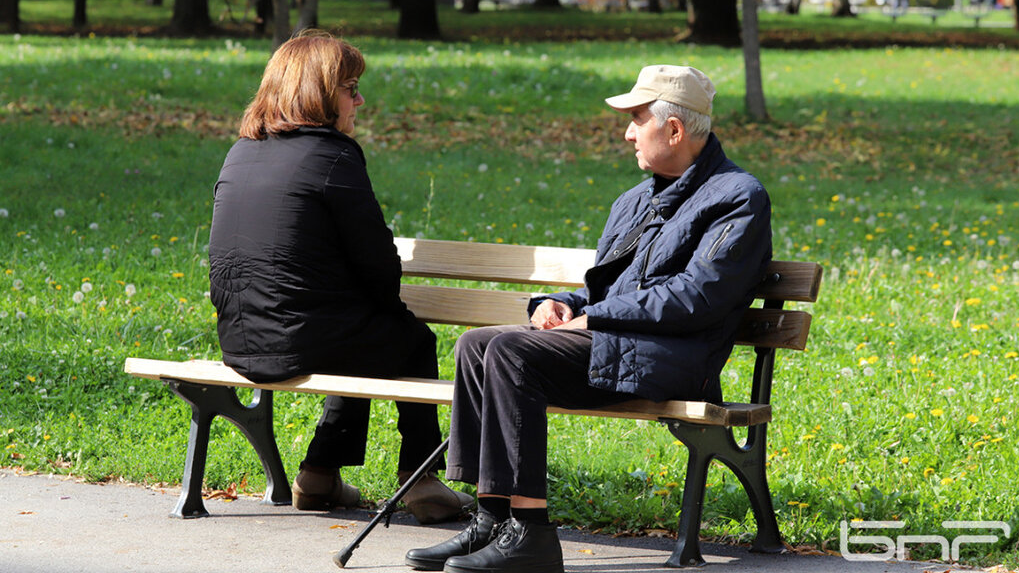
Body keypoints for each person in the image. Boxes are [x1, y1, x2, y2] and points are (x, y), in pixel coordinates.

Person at [405, 65, 773, 573]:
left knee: (511, 351)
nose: (626, 133)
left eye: (636, 119)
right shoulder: (636, 199)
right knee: (477, 344)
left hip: (678, 359)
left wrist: (594, 318)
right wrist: (563, 305)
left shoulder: (738, 197)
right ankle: (492, 519)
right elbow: (605, 289)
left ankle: (531, 533)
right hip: (619, 345)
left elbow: (696, 298)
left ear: (674, 129)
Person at [207, 31, 473, 525]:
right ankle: (423, 481)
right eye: (350, 88)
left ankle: (319, 474)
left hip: (238, 339)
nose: (360, 99)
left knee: (359, 335)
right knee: (408, 340)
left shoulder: (242, 150)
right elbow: (376, 261)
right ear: (320, 94)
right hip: (298, 339)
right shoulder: (332, 156)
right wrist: (388, 308)